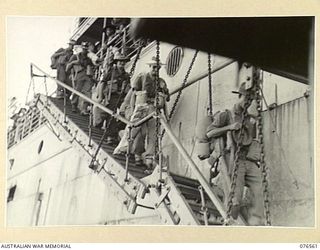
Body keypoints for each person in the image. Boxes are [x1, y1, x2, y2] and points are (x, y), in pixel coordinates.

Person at [205, 82, 264, 226]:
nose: (248, 103)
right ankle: (228, 222)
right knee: (235, 201)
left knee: (261, 187)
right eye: (246, 99)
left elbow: (252, 140)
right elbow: (209, 132)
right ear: (239, 96)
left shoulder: (250, 119)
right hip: (231, 159)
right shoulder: (226, 115)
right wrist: (230, 127)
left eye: (250, 100)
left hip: (247, 160)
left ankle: (255, 221)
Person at [114, 57, 170, 169]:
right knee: (135, 129)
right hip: (141, 106)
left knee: (153, 133)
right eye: (154, 67)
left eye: (158, 68)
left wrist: (165, 97)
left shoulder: (162, 82)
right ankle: (125, 148)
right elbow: (133, 93)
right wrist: (129, 108)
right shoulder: (142, 77)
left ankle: (150, 157)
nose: (155, 70)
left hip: (154, 108)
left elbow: (166, 98)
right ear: (150, 67)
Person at [93, 53, 131, 144]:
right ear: (116, 63)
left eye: (123, 62)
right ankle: (110, 136)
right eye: (120, 62)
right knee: (111, 116)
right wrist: (101, 96)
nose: (121, 64)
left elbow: (129, 88)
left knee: (125, 115)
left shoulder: (126, 75)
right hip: (112, 97)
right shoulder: (110, 73)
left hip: (122, 98)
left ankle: (117, 132)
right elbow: (102, 83)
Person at [66, 42, 94, 114]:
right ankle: (74, 105)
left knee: (87, 92)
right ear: (81, 48)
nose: (85, 50)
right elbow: (68, 67)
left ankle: (84, 109)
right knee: (77, 90)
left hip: (87, 76)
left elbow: (92, 66)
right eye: (84, 48)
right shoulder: (75, 56)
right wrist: (74, 62)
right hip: (79, 74)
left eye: (86, 49)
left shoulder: (88, 59)